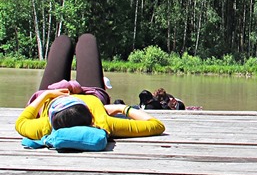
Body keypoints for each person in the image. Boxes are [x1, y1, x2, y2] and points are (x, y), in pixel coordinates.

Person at [15, 33, 165, 141]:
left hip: (53, 92)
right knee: (87, 40)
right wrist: (121, 108)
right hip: (91, 94)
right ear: (90, 116)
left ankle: (67, 41)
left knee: (63, 41)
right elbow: (156, 125)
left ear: (53, 114)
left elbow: (20, 122)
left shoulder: (46, 125)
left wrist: (47, 95)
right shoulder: (101, 122)